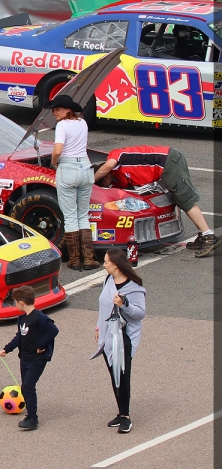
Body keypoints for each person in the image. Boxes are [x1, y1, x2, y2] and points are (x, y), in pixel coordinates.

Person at [94, 145, 217, 258]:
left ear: (105, 175)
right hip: (165, 167)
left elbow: (108, 166)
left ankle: (208, 236)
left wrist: (91, 181)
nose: (107, 185)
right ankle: (202, 235)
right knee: (181, 200)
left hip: (169, 160)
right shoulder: (118, 180)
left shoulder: (115, 155)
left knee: (185, 201)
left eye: (103, 182)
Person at [94, 248, 147, 435]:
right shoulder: (108, 280)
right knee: (114, 375)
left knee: (122, 376)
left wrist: (125, 304)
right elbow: (104, 306)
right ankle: (121, 411)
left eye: (106, 262)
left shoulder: (134, 287)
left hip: (123, 338)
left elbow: (140, 314)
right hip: (108, 336)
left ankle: (126, 417)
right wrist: (98, 327)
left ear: (115, 264)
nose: (104, 264)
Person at [47, 94, 98, 270]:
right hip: (85, 167)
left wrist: (54, 162)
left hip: (68, 168)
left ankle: (75, 260)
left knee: (70, 216)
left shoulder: (62, 125)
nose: (54, 112)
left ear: (68, 110)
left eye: (57, 109)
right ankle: (89, 259)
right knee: (83, 214)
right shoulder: (82, 123)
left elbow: (58, 149)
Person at [0, 286, 59, 431]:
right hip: (24, 358)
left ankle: (32, 417)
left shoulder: (39, 317)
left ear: (21, 303)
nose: (14, 305)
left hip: (36, 360)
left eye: (14, 302)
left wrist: (41, 344)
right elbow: (19, 336)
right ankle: (29, 413)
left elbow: (53, 330)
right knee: (25, 387)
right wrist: (7, 348)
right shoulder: (22, 318)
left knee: (28, 386)